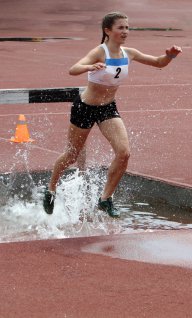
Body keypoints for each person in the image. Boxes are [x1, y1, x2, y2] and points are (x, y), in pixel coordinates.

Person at [43, 11, 182, 217]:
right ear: (107, 30)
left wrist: (170, 55)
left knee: (124, 152)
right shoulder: (100, 51)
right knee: (72, 154)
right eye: (121, 28)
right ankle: (50, 190)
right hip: (85, 108)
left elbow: (158, 62)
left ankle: (105, 199)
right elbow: (73, 69)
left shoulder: (129, 53)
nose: (125, 31)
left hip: (107, 108)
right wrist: (91, 66)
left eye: (127, 27)